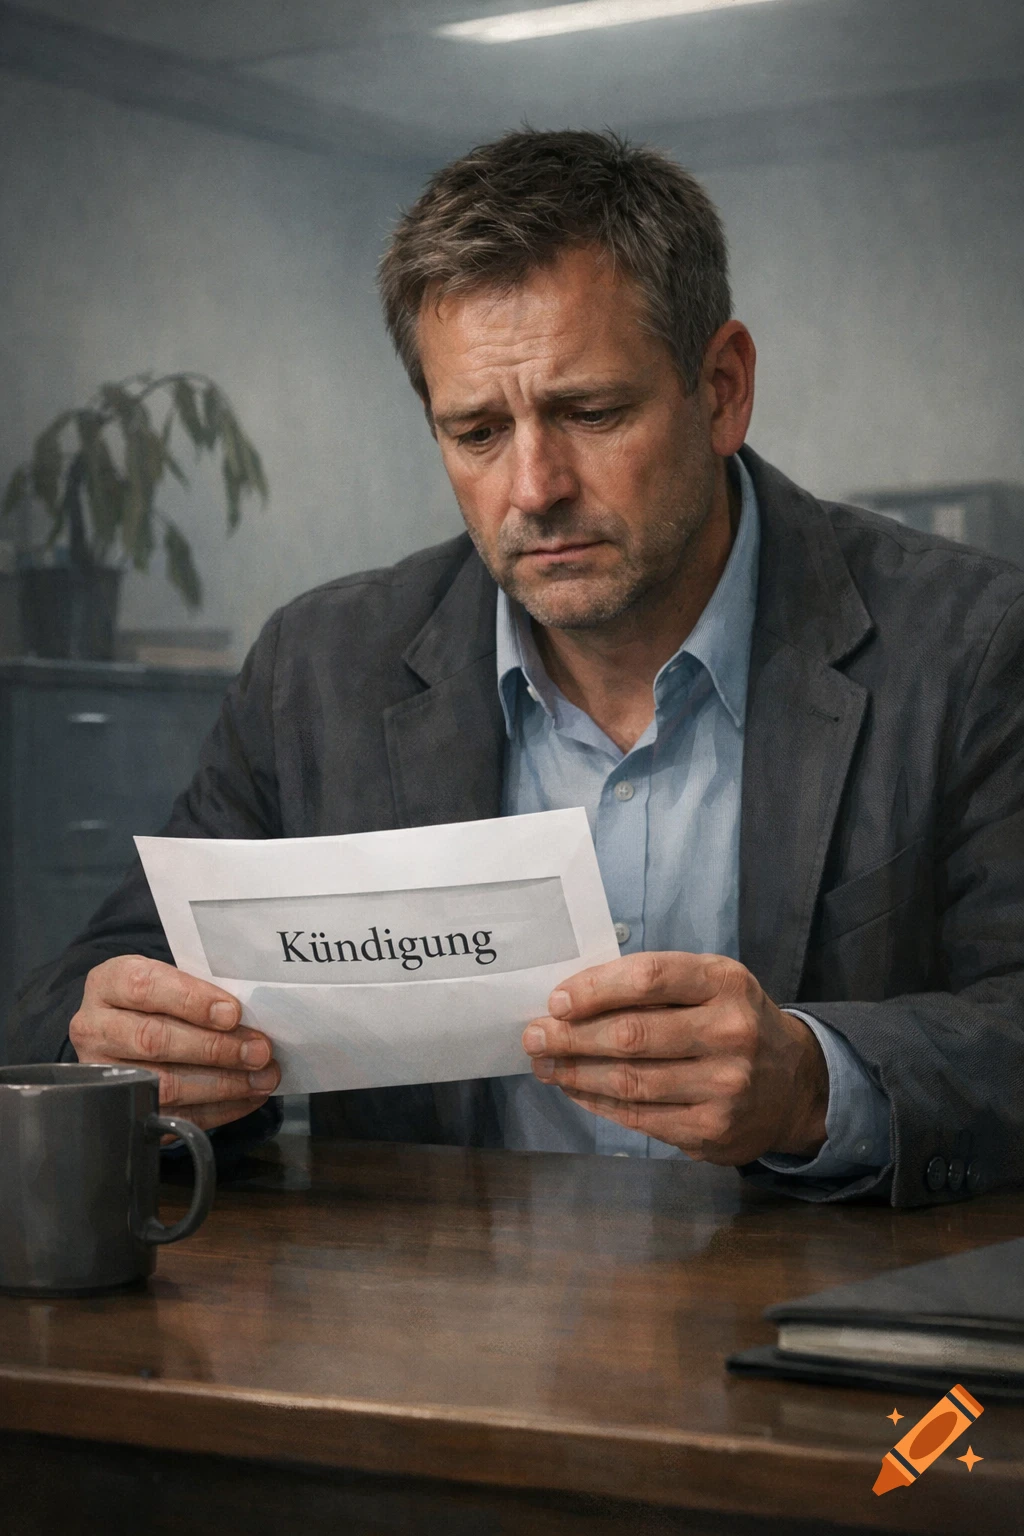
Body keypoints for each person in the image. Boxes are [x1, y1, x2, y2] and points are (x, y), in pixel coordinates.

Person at [9, 129, 1024, 1207]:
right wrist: (128, 1048)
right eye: (478, 432)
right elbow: (69, 1009)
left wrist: (815, 1086)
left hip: (814, 1337)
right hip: (434, 1345)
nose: (533, 487)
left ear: (721, 388)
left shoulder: (970, 646)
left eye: (590, 413)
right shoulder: (319, 672)